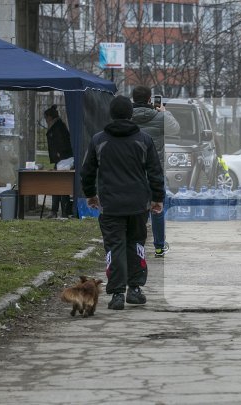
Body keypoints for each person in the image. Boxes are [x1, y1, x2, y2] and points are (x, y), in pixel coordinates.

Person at [81, 96, 165, 311]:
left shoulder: (99, 140)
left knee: (115, 246)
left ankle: (117, 293)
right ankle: (135, 289)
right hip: (138, 203)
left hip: (110, 204)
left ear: (111, 114)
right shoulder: (144, 140)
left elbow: (87, 172)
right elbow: (155, 172)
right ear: (130, 115)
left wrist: (91, 195)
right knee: (136, 244)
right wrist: (157, 198)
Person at [130, 86, 180, 258]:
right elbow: (175, 129)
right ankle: (159, 247)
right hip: (155, 170)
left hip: (132, 171)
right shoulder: (160, 117)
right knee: (157, 207)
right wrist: (165, 112)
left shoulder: (127, 117)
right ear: (150, 99)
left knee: (136, 209)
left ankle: (137, 246)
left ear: (133, 99)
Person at [43, 105, 74, 218]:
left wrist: (59, 154)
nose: (45, 121)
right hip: (60, 160)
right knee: (57, 185)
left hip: (63, 160)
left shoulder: (57, 127)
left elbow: (62, 143)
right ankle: (55, 210)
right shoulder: (57, 125)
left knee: (61, 185)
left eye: (46, 118)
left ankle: (63, 211)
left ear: (50, 117)